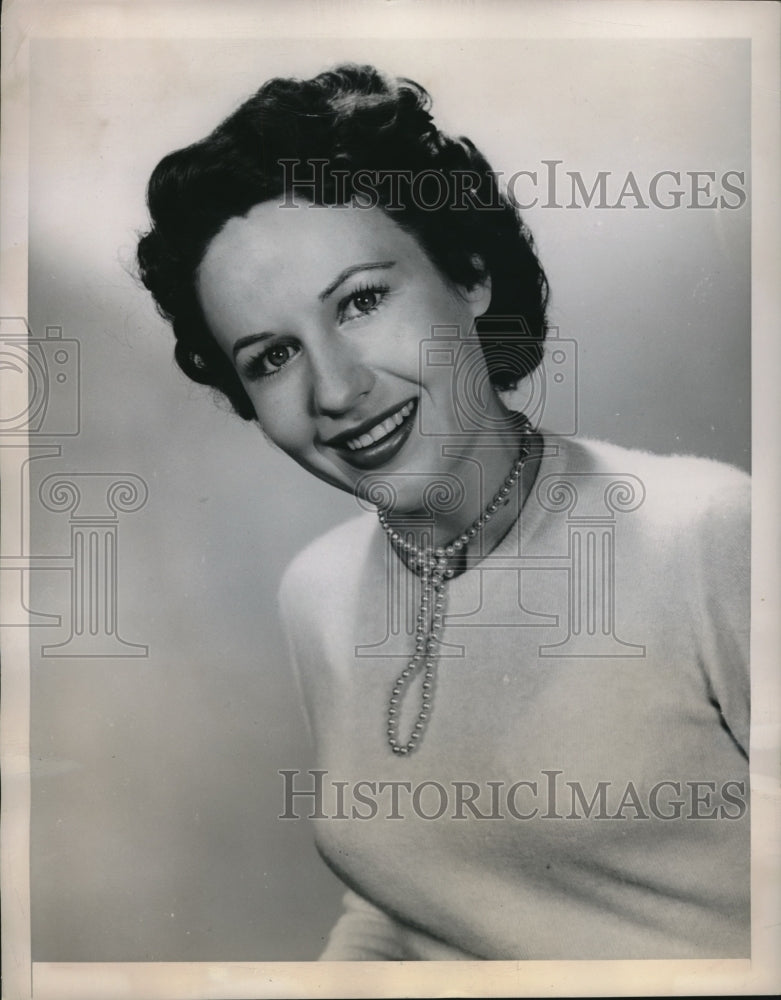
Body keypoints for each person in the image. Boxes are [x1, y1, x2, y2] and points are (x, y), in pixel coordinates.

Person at [136, 64, 750, 961]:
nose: (336, 389)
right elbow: (406, 909)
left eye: (361, 301)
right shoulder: (318, 592)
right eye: (270, 357)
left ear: (467, 276)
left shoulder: (709, 536)